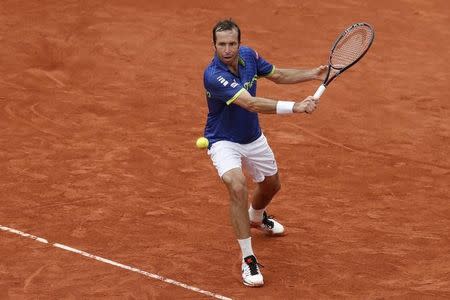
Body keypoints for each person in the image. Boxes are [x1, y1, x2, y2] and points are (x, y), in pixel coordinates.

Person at [202, 19, 327, 287]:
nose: (227, 49)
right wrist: (296, 107)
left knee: (272, 185)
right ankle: (248, 259)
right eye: (221, 44)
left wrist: (312, 74)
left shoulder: (249, 55)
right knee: (237, 186)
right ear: (214, 45)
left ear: (239, 43)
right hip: (223, 141)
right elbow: (250, 103)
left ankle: (257, 217)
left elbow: (278, 75)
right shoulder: (213, 75)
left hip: (252, 137)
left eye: (232, 43)